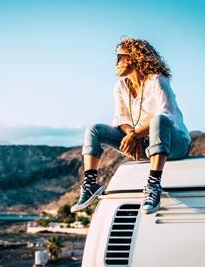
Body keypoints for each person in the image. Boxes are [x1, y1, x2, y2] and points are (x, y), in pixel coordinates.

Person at [71, 36, 191, 214]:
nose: (115, 63)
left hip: (174, 145)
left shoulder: (157, 80)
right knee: (94, 129)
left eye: (119, 57)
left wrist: (135, 135)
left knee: (159, 120)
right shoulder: (121, 86)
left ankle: (153, 186)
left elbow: (167, 114)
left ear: (135, 58)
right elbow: (121, 119)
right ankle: (90, 185)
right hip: (144, 145)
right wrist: (132, 136)